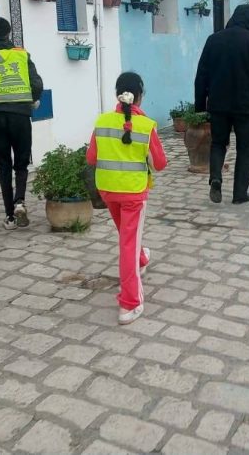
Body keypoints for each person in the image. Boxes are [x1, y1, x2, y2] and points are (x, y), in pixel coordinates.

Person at [86, 72, 167, 325]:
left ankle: (142, 258)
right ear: (140, 97)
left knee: (127, 236)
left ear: (117, 95)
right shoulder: (146, 125)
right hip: (133, 193)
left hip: (107, 190)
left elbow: (91, 158)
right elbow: (160, 164)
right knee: (128, 245)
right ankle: (130, 303)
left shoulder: (102, 121)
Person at [194, 3, 249, 205]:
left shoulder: (213, 40)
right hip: (246, 106)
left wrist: (200, 105)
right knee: (244, 149)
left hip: (218, 105)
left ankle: (216, 178)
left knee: (218, 143)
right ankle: (240, 194)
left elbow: (201, 75)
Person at [0, 17, 43, 230]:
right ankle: (19, 201)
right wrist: (31, 100)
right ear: (8, 32)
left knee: (3, 165)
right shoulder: (21, 54)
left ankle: (10, 218)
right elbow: (36, 84)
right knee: (21, 163)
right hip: (20, 116)